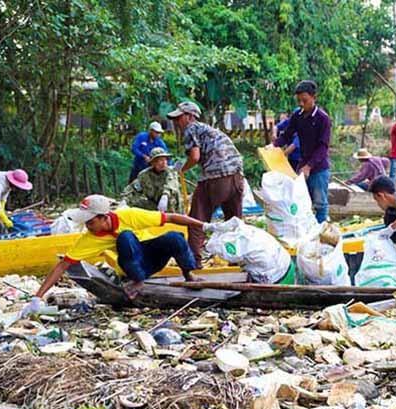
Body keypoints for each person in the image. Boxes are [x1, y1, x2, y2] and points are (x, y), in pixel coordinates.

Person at [30, 195, 204, 307]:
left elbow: (171, 217)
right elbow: (63, 265)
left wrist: (206, 225)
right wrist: (37, 297)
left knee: (174, 237)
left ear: (103, 217)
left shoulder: (129, 215)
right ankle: (138, 281)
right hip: (131, 267)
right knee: (125, 238)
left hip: (152, 257)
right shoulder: (90, 238)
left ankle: (189, 275)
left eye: (90, 222)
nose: (88, 227)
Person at [167, 101, 244, 266]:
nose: (176, 123)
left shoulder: (191, 128)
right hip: (237, 176)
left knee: (196, 220)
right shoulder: (211, 130)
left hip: (216, 177)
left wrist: (181, 169)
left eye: (179, 118)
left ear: (190, 116)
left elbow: (194, 157)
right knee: (235, 221)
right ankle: (238, 260)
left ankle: (193, 262)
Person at [272, 80, 331, 223]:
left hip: (318, 168)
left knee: (320, 204)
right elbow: (286, 135)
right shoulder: (297, 116)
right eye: (298, 101)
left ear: (314, 97)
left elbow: (323, 147)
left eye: (304, 100)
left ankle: (321, 234)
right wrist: (273, 146)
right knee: (301, 202)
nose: (301, 104)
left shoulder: (323, 119)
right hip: (301, 165)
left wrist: (309, 166)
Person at [122, 147, 183, 213]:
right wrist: (124, 201)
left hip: (172, 208)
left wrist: (165, 196)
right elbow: (133, 188)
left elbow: (171, 184)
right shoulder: (144, 175)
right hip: (154, 206)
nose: (164, 163)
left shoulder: (171, 171)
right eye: (160, 160)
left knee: (169, 200)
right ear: (153, 163)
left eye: (165, 160)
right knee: (135, 201)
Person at [0, 169, 33, 234]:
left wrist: (2, 212)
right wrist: (3, 216)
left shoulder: (9, 185)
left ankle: (3, 235)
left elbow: (3, 199)